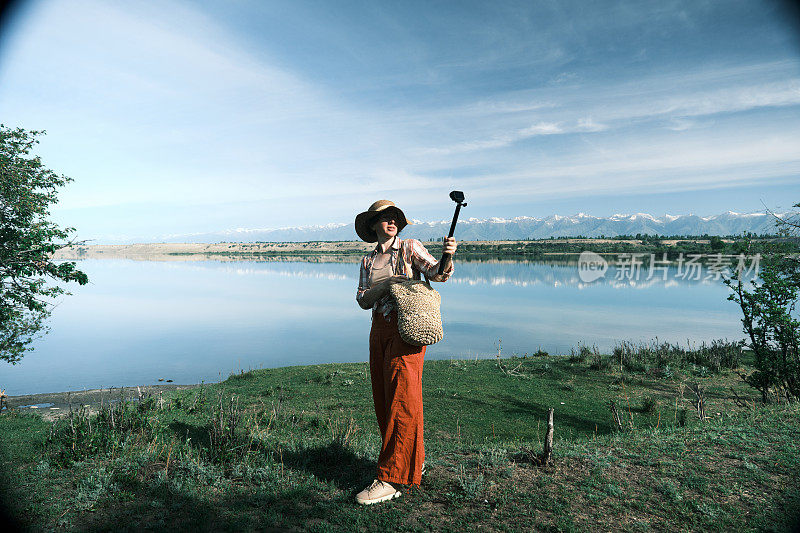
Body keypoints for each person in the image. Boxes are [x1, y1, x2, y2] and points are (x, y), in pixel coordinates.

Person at [353, 199, 457, 505]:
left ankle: (391, 478)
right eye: (385, 218)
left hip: (407, 328)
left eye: (395, 217)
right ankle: (410, 462)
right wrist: (385, 286)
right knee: (384, 398)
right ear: (373, 226)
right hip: (379, 329)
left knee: (403, 399)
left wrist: (448, 257)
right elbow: (362, 300)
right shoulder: (368, 262)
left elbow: (437, 274)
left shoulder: (410, 247)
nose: (392, 221)